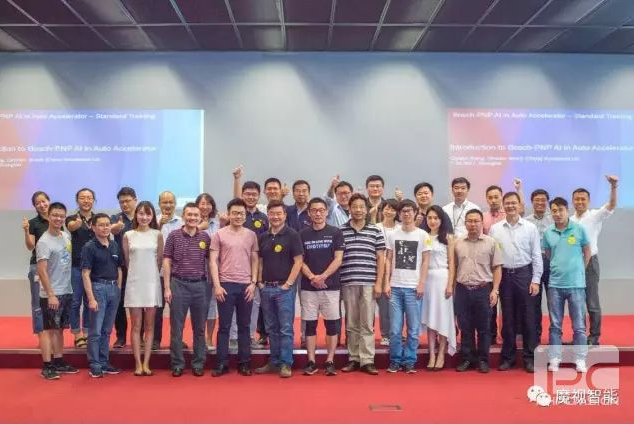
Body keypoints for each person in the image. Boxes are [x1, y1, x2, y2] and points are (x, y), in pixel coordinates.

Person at [489, 192, 542, 373]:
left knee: (528, 318)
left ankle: (530, 358)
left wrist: (536, 280)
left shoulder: (530, 227)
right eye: (507, 203)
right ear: (503, 206)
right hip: (504, 275)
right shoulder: (495, 229)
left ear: (519, 205)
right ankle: (508, 358)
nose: (510, 206)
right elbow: (492, 256)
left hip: (524, 274)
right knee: (508, 317)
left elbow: (536, 255)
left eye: (514, 203)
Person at [210, 198, 259, 377]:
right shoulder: (219, 234)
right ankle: (222, 363)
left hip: (246, 286)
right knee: (224, 326)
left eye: (241, 213)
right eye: (235, 213)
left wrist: (253, 283)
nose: (238, 216)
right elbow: (213, 261)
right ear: (229, 214)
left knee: (244, 326)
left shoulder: (251, 235)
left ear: (245, 216)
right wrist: (217, 285)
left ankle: (244, 363)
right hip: (225, 286)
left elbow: (255, 260)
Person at [254, 200, 303, 378]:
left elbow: (298, 261)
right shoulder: (263, 237)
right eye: (272, 214)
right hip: (266, 288)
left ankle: (285, 363)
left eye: (279, 214)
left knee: (285, 328)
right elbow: (260, 261)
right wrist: (259, 282)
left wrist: (288, 284)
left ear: (284, 215)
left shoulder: (292, 235)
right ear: (268, 215)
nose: (275, 217)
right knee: (271, 328)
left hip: (284, 289)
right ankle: (273, 361)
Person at [163, 203, 211, 377]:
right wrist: (167, 287)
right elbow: (167, 261)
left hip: (200, 286)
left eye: (196, 215)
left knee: (200, 328)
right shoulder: (173, 236)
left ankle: (198, 363)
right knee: (177, 328)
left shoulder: (205, 237)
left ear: (200, 217)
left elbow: (210, 261)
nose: (192, 218)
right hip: (178, 284)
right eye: (189, 214)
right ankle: (177, 363)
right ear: (183, 216)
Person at [543, 197, 591, 372]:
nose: (557, 214)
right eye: (554, 211)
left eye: (560, 210)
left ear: (567, 209)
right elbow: (549, 253)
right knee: (555, 325)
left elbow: (587, 251)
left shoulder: (579, 229)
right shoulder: (548, 232)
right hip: (555, 285)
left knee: (579, 325)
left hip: (576, 285)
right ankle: (555, 358)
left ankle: (580, 359)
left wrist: (579, 270)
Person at [569, 175, 618, 346]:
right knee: (576, 303)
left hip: (590, 264)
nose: (580, 202)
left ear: (588, 201)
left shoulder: (595, 215)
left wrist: (613, 186)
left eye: (583, 199)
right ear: (572, 201)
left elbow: (611, 204)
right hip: (573, 264)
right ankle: (579, 335)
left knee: (592, 302)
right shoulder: (569, 220)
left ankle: (594, 336)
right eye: (577, 199)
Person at [339, 194, 385, 375]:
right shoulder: (340, 231)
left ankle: (367, 360)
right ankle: (353, 358)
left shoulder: (375, 231)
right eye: (354, 207)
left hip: (368, 283)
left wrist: (378, 283)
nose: (358, 210)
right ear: (349, 209)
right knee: (351, 322)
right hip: (348, 281)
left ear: (367, 210)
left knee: (367, 323)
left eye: (361, 207)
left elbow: (381, 258)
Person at [384, 199, 431, 374]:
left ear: (415, 212)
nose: (406, 214)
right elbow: (388, 259)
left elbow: (425, 261)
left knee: (413, 329)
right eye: (403, 211)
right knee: (395, 329)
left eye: (409, 210)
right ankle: (395, 360)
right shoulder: (392, 235)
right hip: (395, 287)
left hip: (413, 288)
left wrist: (421, 284)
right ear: (399, 214)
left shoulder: (423, 235)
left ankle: (410, 360)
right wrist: (386, 282)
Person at [300, 197, 345, 376]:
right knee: (310, 325)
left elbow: (338, 259)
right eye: (314, 210)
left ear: (326, 212)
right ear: (309, 213)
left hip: (331, 286)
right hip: (308, 287)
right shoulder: (302, 234)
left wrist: (323, 276)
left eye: (321, 210)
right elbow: (299, 260)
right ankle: (311, 361)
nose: (318, 213)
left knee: (331, 325)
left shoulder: (335, 232)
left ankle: (330, 361)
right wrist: (312, 277)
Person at [454, 209, 502, 373]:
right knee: (465, 327)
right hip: (462, 289)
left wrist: (495, 290)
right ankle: (467, 359)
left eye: (476, 221)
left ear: (482, 223)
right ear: (465, 223)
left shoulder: (491, 242)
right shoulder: (458, 243)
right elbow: (453, 267)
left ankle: (483, 360)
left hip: (483, 289)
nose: (473, 224)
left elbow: (497, 268)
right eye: (469, 221)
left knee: (484, 327)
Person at [36, 202, 78, 379]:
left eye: (61, 216)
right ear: (48, 216)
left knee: (59, 328)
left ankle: (59, 361)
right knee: (48, 329)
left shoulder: (66, 236)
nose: (58, 219)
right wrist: (51, 294)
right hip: (51, 293)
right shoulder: (44, 241)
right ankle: (47, 365)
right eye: (54, 215)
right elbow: (42, 270)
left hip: (66, 290)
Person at [123, 201, 163, 376]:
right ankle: (137, 364)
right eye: (141, 213)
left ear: (152, 216)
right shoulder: (128, 235)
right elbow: (127, 261)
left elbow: (159, 260)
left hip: (151, 283)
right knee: (136, 326)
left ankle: (147, 363)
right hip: (134, 283)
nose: (144, 217)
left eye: (148, 214)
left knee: (149, 326)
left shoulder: (157, 234)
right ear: (136, 215)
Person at [81, 213, 123, 378]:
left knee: (107, 330)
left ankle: (104, 362)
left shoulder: (114, 245)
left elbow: (119, 268)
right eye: (101, 225)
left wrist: (118, 288)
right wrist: (91, 298)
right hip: (98, 288)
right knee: (96, 331)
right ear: (93, 227)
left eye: (107, 224)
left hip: (113, 289)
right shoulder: (89, 247)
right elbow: (85, 273)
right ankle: (95, 364)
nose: (105, 228)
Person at [420, 205, 457, 371]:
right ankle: (431, 354)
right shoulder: (422, 236)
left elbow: (452, 263)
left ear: (441, 220)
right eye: (430, 218)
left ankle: (441, 353)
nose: (432, 221)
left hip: (442, 279)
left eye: (436, 218)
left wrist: (450, 284)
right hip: (427, 280)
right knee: (430, 318)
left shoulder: (448, 237)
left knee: (442, 318)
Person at [65, 188, 96, 348]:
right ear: (77, 200)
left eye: (89, 197)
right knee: (75, 301)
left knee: (90, 300)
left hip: (95, 268)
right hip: (77, 266)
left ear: (93, 200)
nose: (86, 200)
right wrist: (76, 224)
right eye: (82, 198)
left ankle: (87, 332)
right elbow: (71, 226)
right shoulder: (72, 218)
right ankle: (77, 334)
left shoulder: (98, 218)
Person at [154, 191, 182, 350]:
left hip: (176, 273)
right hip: (157, 273)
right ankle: (155, 340)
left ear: (175, 204)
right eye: (164, 202)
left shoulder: (182, 222)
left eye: (171, 202)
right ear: (159, 204)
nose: (168, 205)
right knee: (157, 309)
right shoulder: (153, 221)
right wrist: (158, 226)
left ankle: (176, 340)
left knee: (177, 310)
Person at [525, 188, 554, 342]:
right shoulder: (526, 221)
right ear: (532, 202)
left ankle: (554, 335)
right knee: (533, 301)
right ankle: (535, 335)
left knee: (553, 301)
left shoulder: (554, 219)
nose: (540, 202)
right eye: (537, 200)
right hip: (533, 263)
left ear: (547, 202)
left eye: (543, 200)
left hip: (551, 262)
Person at [110, 187, 137, 348]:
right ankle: (120, 337)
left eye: (127, 201)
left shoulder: (142, 215)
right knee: (119, 302)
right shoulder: (116, 218)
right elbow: (110, 230)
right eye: (121, 202)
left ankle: (139, 336)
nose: (125, 204)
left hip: (139, 266)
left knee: (138, 303)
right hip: (120, 267)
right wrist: (116, 228)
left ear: (135, 200)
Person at [286, 180, 312, 347]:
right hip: (288, 264)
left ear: (308, 193)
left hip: (308, 265)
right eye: (298, 190)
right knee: (287, 303)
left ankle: (304, 337)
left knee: (306, 303)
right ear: (293, 192)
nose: (301, 193)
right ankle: (287, 337)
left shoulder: (313, 211)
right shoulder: (286, 211)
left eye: (304, 191)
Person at [23, 191, 50, 342]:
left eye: (44, 201)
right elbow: (30, 246)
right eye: (38, 203)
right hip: (37, 266)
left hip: (55, 267)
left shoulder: (57, 220)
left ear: (49, 201)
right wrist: (26, 231)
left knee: (54, 300)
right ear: (35, 206)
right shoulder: (33, 223)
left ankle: (52, 334)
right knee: (38, 302)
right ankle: (41, 335)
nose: (42, 204)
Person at [375, 199, 401, 346]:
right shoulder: (375, 228)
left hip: (397, 270)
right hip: (380, 269)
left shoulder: (401, 228)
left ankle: (397, 332)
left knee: (397, 304)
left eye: (393, 209)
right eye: (387, 208)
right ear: (382, 210)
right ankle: (385, 334)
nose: (389, 211)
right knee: (384, 305)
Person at [196, 193, 220, 351]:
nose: (205, 207)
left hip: (213, 271)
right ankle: (198, 338)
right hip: (194, 271)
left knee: (212, 305)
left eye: (208, 204)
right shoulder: (190, 221)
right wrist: (199, 228)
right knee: (198, 306)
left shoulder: (218, 224)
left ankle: (209, 338)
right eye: (202, 203)